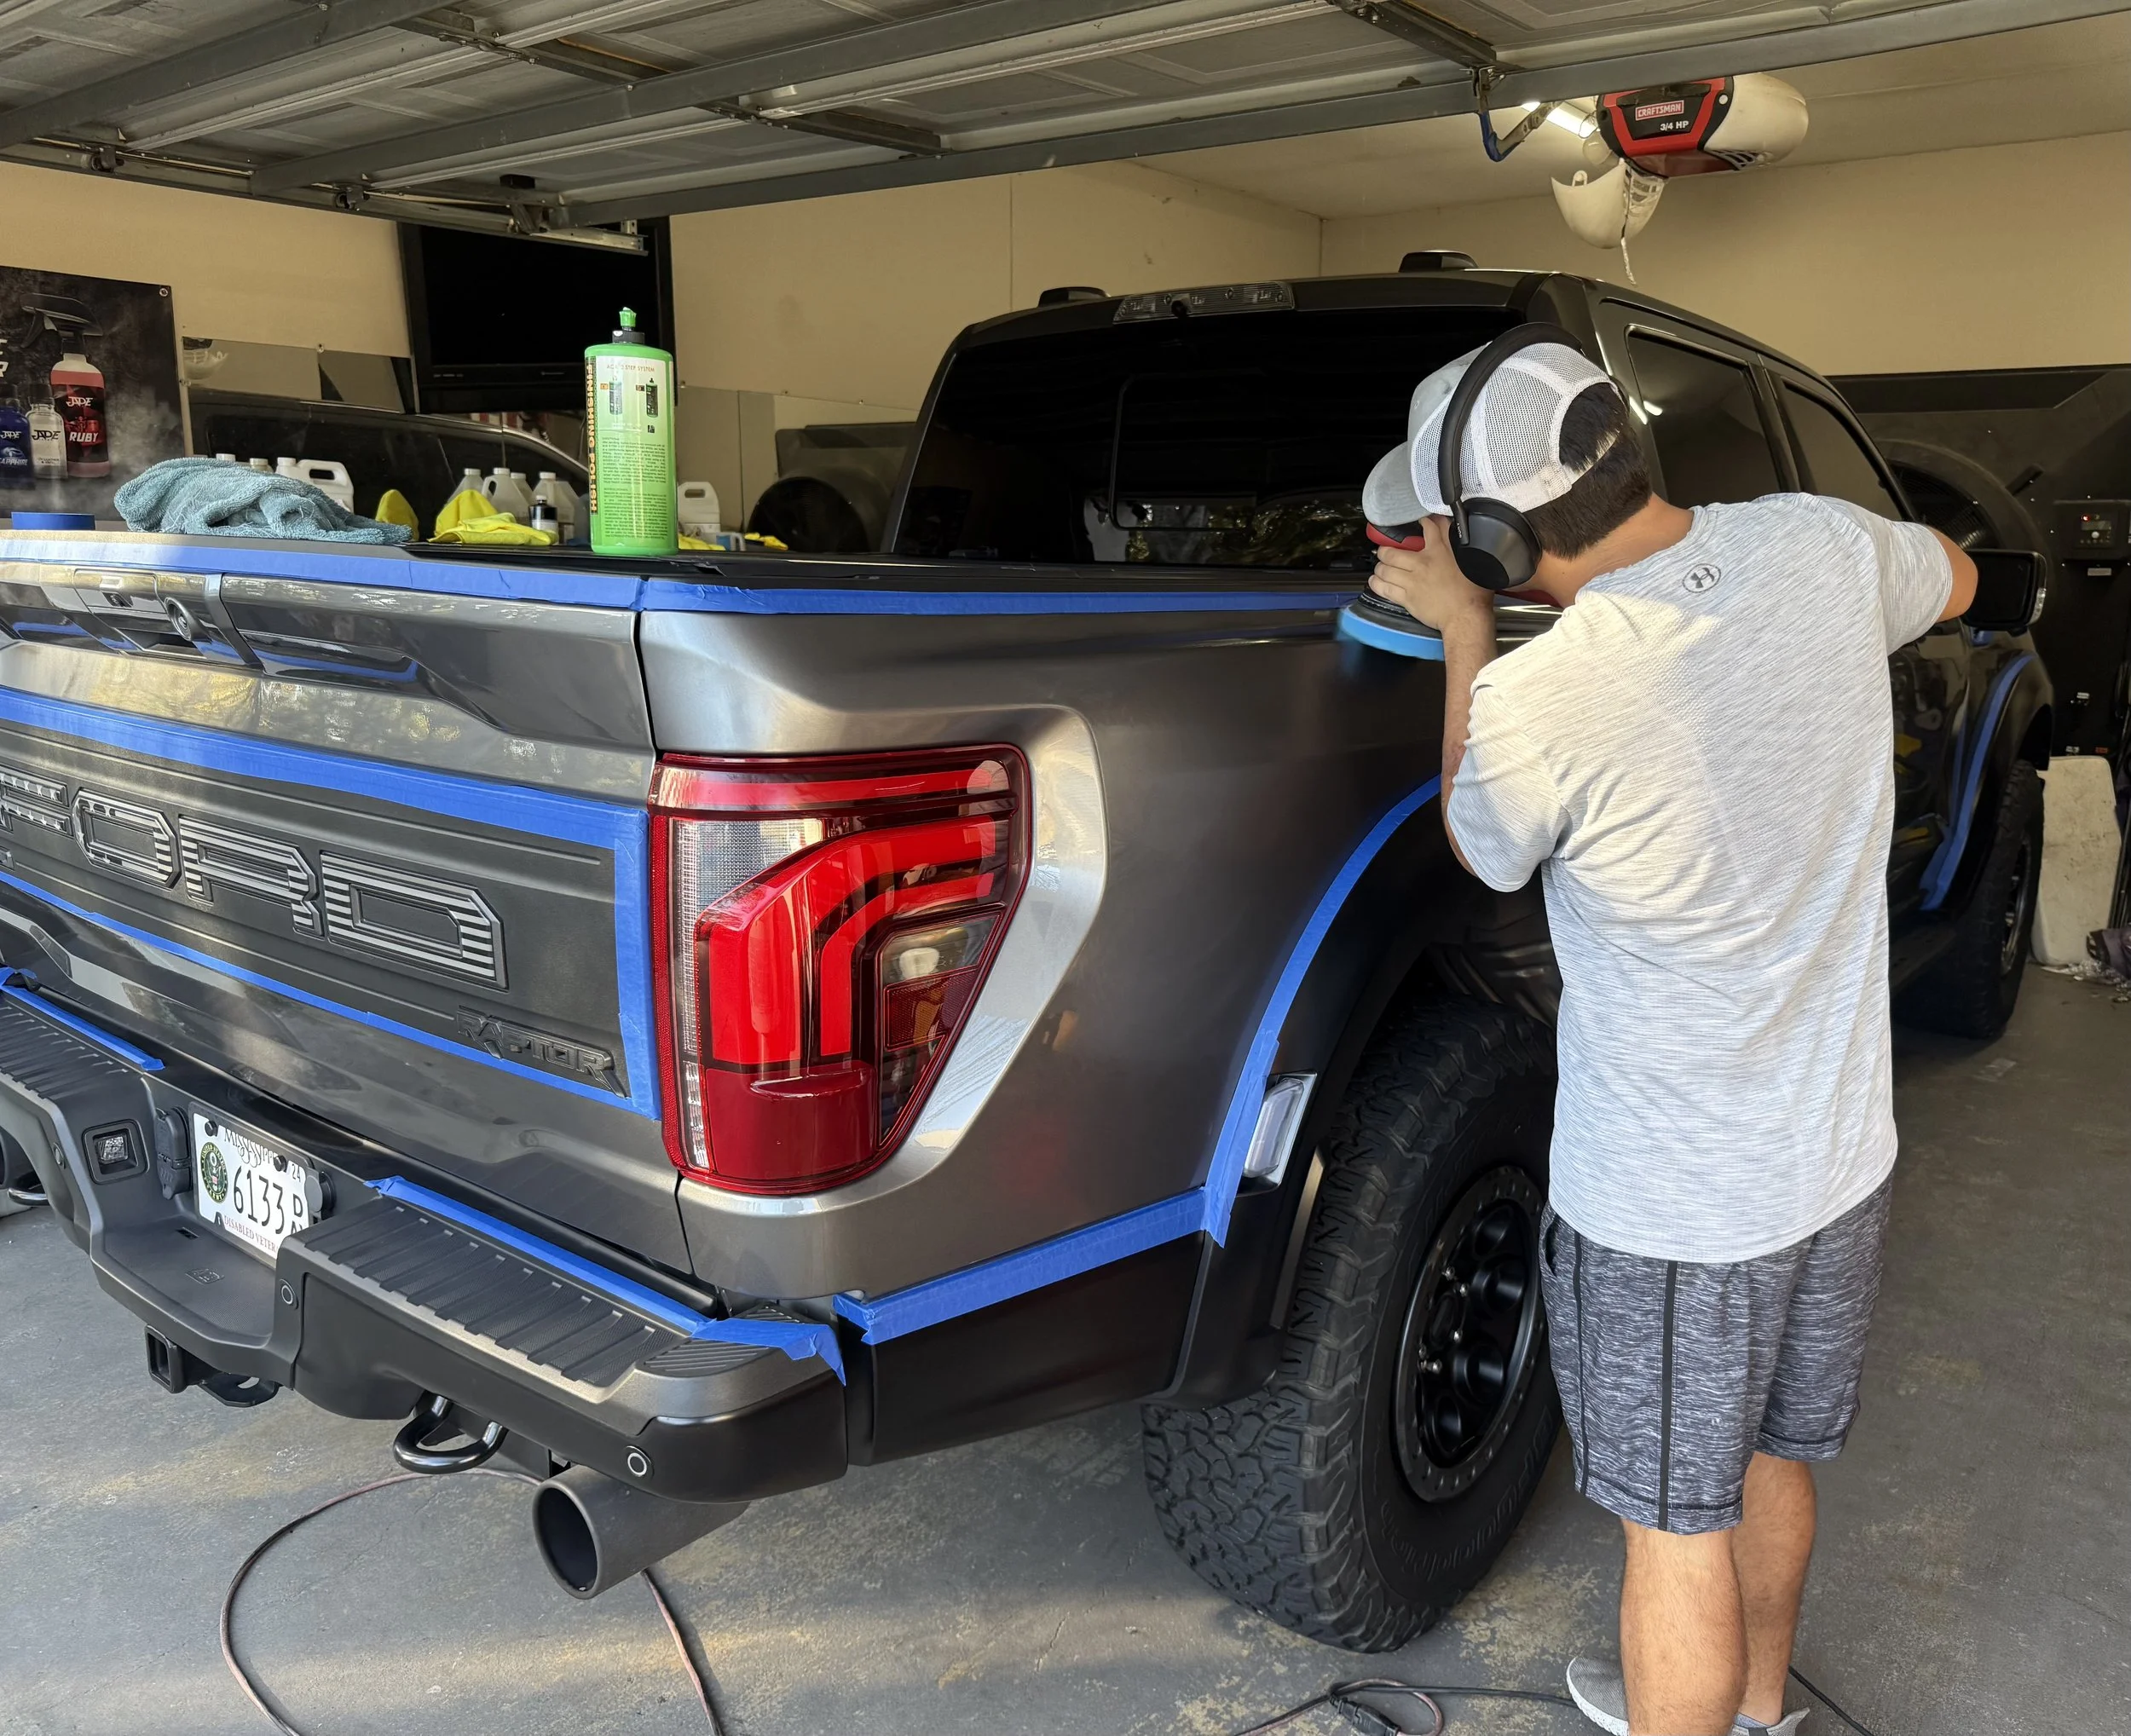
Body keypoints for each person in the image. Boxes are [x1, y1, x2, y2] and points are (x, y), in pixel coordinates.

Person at [1364, 342, 1977, 1736]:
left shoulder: (1552, 692)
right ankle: (1756, 1710)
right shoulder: (1818, 543)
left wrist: (1467, 634)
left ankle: (1693, 1710)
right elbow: (1957, 572)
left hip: (1676, 1207)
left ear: (1491, 537)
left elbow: (1483, 847)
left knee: (1670, 1530)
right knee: (1770, 1455)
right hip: (1837, 1159)